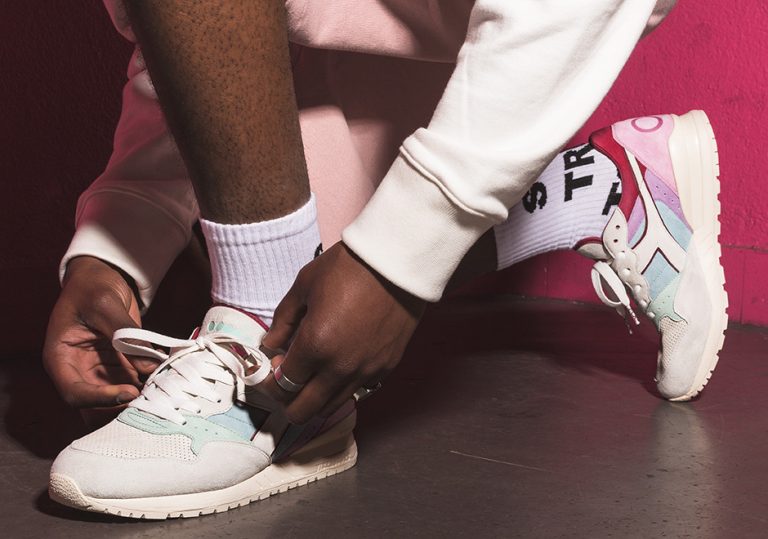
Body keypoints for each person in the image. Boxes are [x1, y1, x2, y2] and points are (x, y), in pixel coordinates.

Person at [46, 0, 725, 520]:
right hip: (361, 27)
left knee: (344, 283)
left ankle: (263, 322)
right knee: (308, 259)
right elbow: (195, 44)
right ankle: (604, 187)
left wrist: (398, 257)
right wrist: (117, 245)